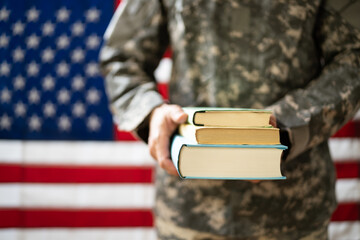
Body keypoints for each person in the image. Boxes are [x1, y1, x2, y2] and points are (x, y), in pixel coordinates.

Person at [99, 0, 360, 239]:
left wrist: (289, 121)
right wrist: (151, 112)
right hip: (188, 211)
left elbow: (354, 56)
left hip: (293, 213)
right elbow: (122, 57)